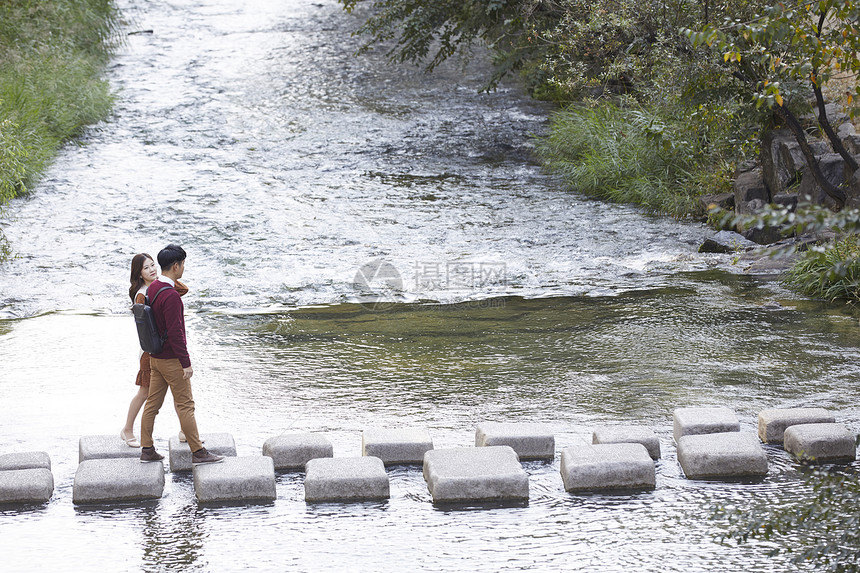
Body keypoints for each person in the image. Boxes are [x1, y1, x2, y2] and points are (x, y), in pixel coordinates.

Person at [139, 244, 223, 465]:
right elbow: (176, 333)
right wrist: (186, 363)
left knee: (152, 405)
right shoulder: (171, 296)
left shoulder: (153, 288)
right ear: (176, 266)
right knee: (185, 405)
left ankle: (147, 449)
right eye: (183, 264)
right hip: (171, 360)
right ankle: (198, 452)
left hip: (155, 357)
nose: (184, 267)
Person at [121, 253, 190, 447]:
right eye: (146, 268)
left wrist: (165, 280)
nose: (152, 270)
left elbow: (182, 289)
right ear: (139, 273)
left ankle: (185, 430)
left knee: (178, 392)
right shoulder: (142, 294)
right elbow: (147, 327)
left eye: (153, 265)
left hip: (161, 349)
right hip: (151, 352)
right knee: (145, 393)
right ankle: (127, 429)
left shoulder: (156, 287)